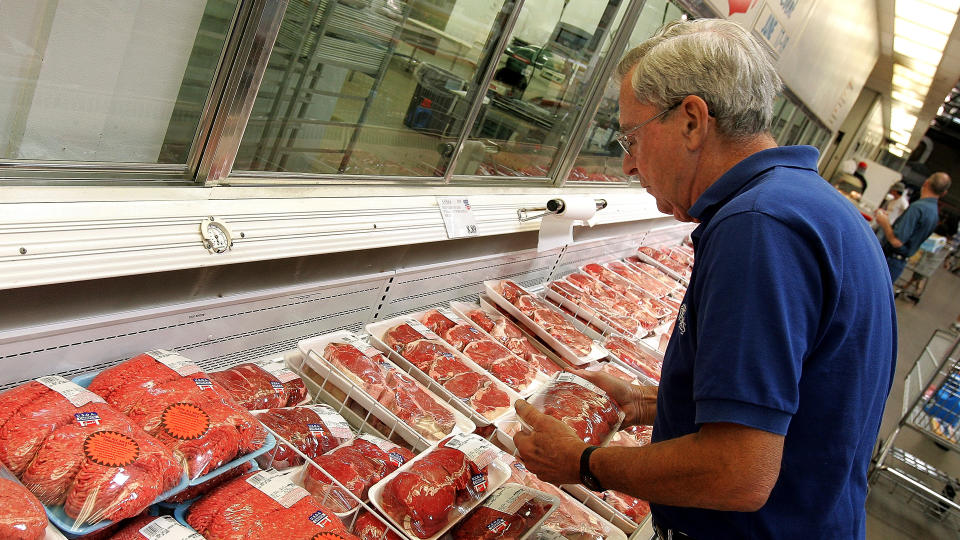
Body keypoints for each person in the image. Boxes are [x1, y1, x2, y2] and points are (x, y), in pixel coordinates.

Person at [512, 19, 896, 539]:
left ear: (692, 120)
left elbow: (739, 473)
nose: (627, 164)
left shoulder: (759, 227)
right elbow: (797, 398)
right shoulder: (814, 205)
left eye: (631, 137)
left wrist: (583, 463)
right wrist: (647, 403)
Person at [875, 172, 952, 282]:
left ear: (926, 182)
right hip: (899, 263)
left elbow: (896, 241)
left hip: (889, 260)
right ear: (944, 193)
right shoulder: (934, 213)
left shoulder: (918, 208)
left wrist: (885, 222)